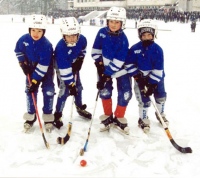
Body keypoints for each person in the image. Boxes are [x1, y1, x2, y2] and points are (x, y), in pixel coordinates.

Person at [91, 7, 132, 135]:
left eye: (117, 22)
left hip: (120, 70)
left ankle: (119, 116)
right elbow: (95, 51)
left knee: (125, 93)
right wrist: (99, 65)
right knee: (104, 90)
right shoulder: (101, 33)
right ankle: (107, 115)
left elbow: (119, 60)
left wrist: (107, 74)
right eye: (111, 21)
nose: (114, 25)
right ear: (107, 21)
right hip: (104, 69)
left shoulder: (123, 39)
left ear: (122, 23)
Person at [125, 19, 169, 133]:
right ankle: (143, 118)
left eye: (149, 35)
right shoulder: (134, 49)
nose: (147, 37)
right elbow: (129, 64)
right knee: (144, 99)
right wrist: (138, 77)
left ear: (154, 35)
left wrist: (152, 84)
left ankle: (160, 113)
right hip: (141, 79)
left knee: (160, 96)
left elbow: (159, 69)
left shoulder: (158, 50)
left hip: (157, 78)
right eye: (144, 35)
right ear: (140, 36)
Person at [14, 14, 55, 132]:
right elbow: (18, 51)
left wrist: (35, 80)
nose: (36, 33)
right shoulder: (24, 39)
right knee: (30, 90)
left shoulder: (46, 45)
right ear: (29, 30)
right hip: (30, 67)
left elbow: (43, 65)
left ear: (44, 32)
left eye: (39, 31)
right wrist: (23, 64)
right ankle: (31, 116)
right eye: (33, 30)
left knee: (48, 91)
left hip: (46, 69)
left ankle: (47, 116)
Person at [53, 17, 92, 129]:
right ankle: (58, 114)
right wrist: (71, 84)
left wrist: (80, 60)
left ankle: (79, 106)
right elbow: (64, 70)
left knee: (78, 87)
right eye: (68, 36)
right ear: (63, 35)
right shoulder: (60, 48)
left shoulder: (82, 39)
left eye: (74, 35)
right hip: (62, 67)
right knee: (65, 90)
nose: (72, 39)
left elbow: (83, 49)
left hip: (73, 63)